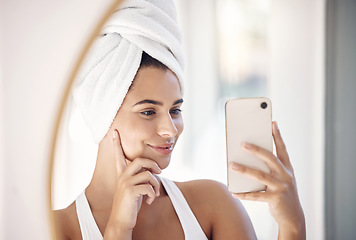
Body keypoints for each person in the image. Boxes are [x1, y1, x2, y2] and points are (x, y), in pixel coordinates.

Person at [54, 0, 306, 239]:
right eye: (148, 111)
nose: (170, 130)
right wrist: (119, 229)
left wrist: (292, 225)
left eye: (175, 110)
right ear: (102, 114)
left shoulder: (212, 205)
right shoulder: (58, 228)